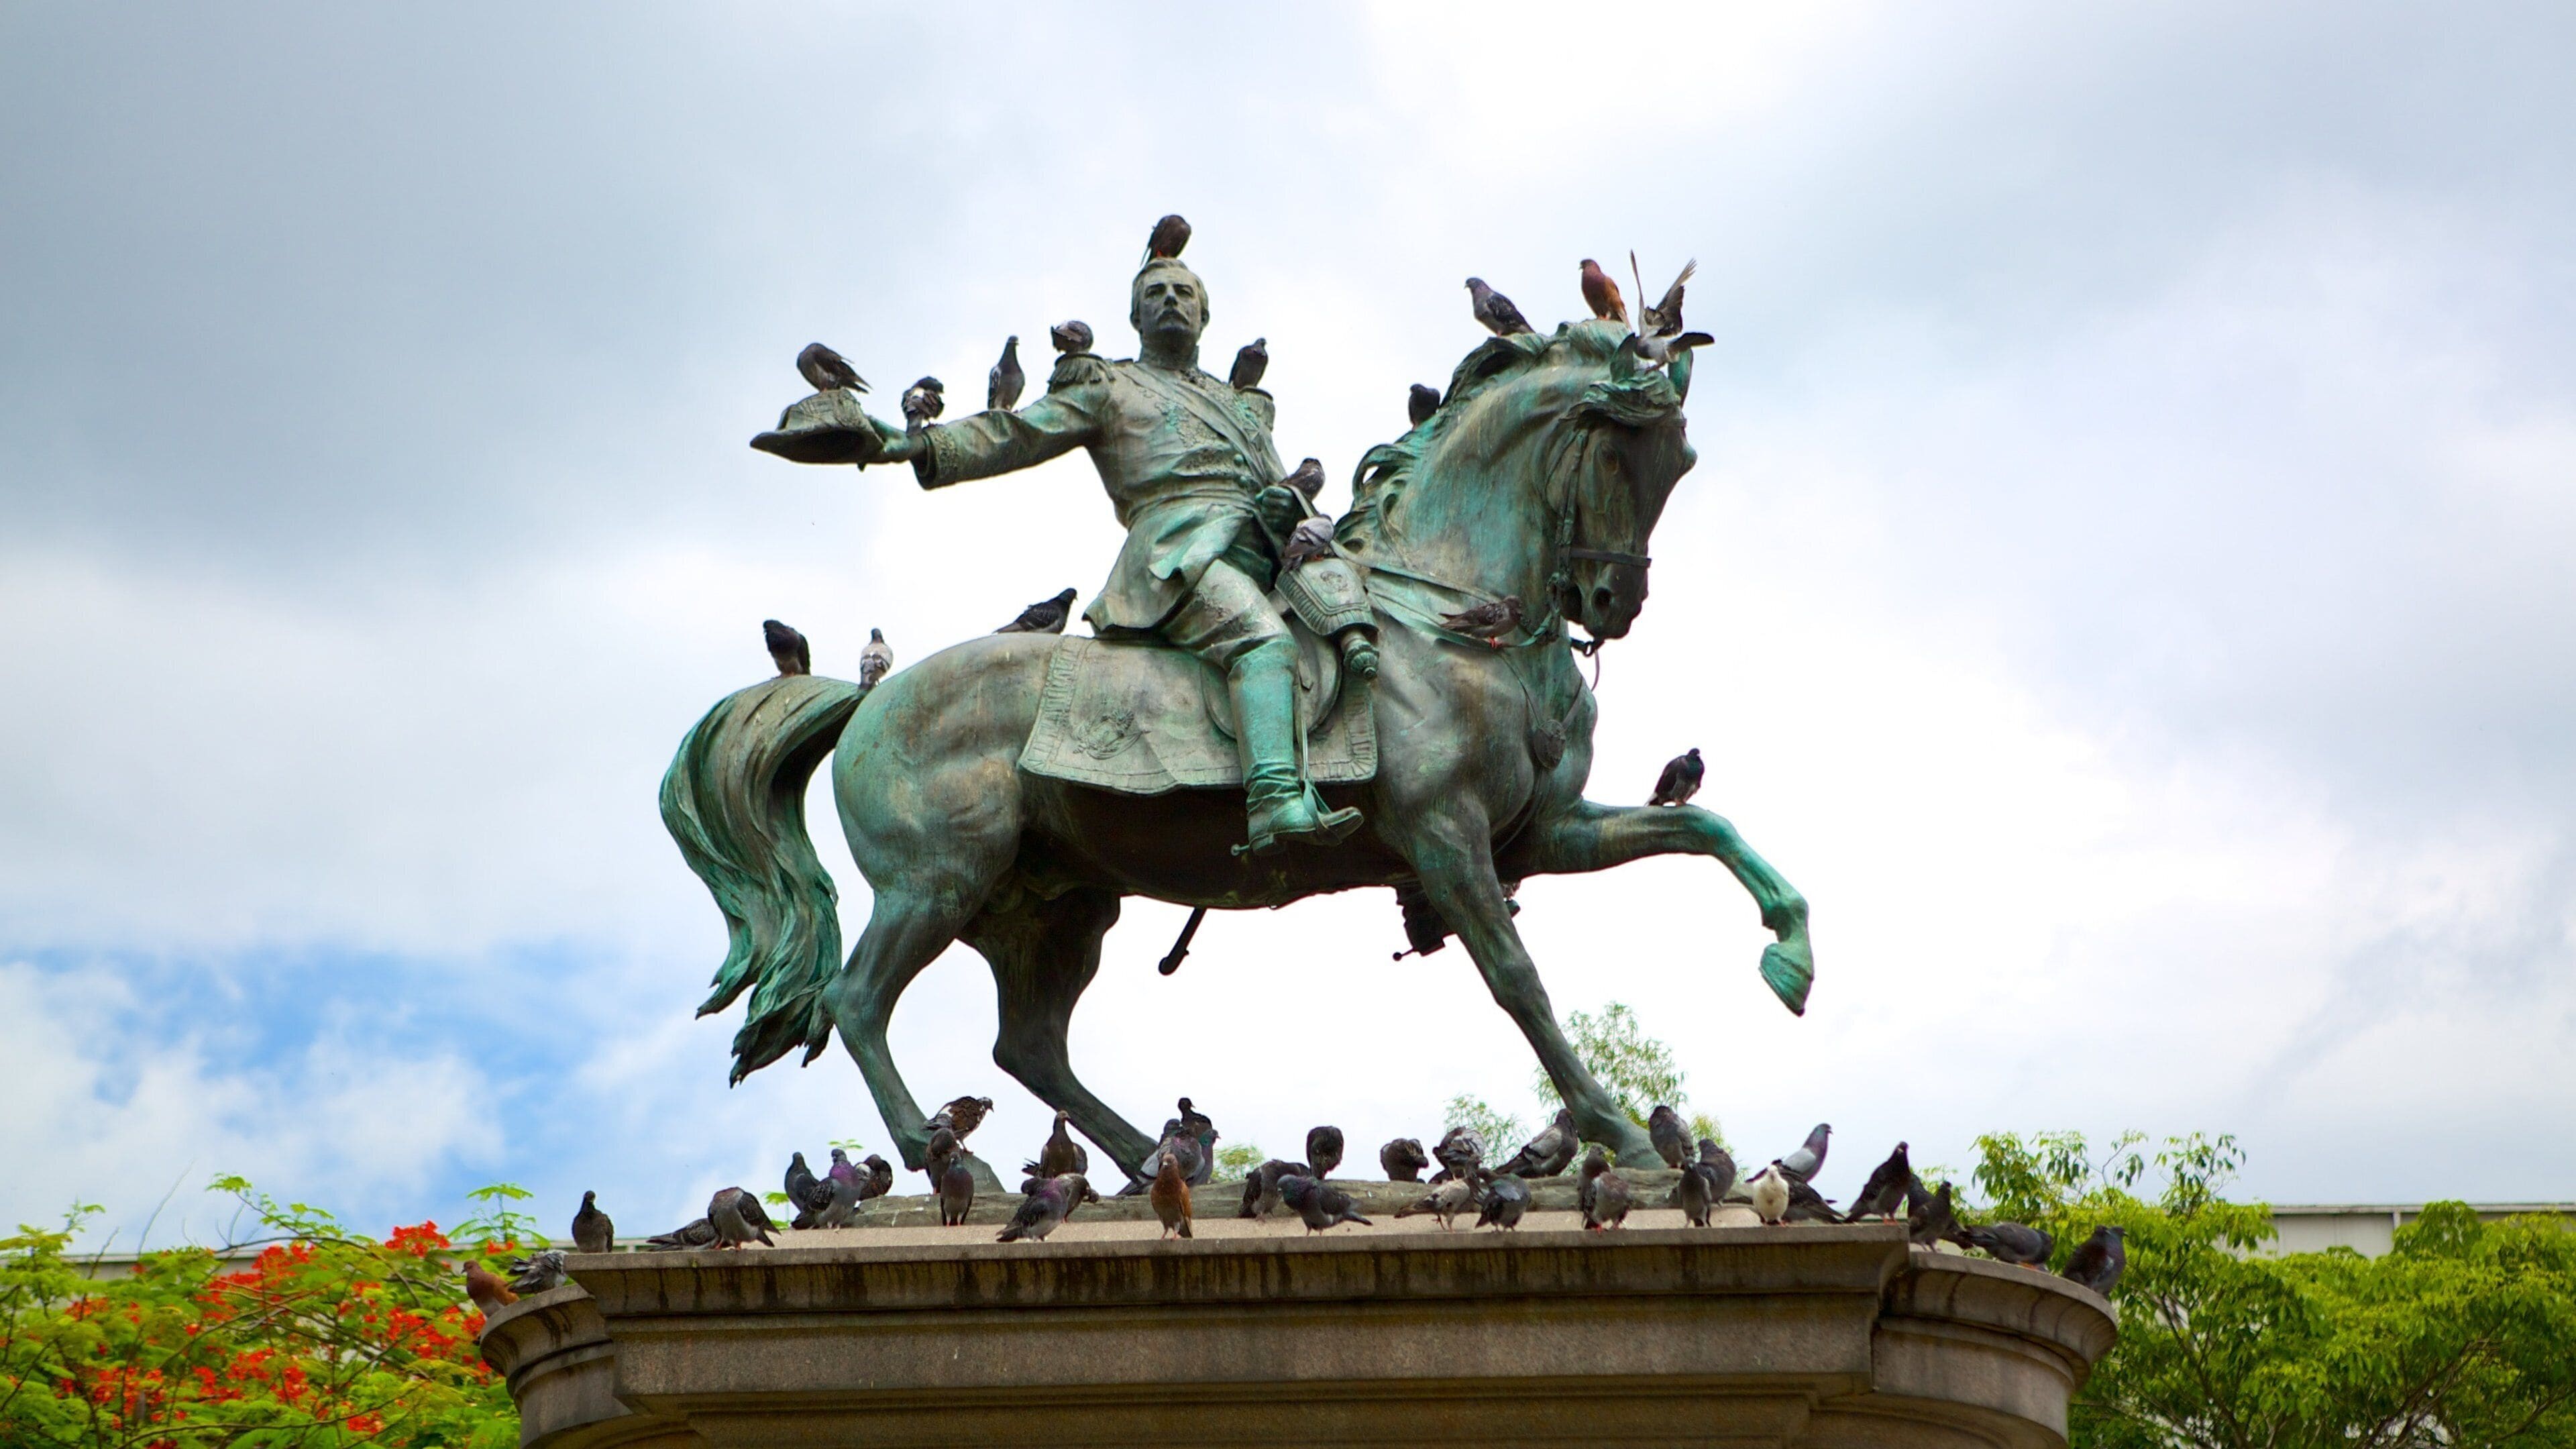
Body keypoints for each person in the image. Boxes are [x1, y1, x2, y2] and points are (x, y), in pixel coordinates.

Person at [865, 254, 1360, 854]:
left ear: (1205, 316)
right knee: (1265, 644)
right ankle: (1274, 801)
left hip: (1265, 555)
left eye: (1184, 293)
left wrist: (1283, 505)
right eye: (1156, 293)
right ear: (1135, 318)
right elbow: (1019, 432)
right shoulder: (1110, 386)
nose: (1171, 300)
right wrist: (923, 446)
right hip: (1178, 557)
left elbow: (1275, 482)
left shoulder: (1237, 403)